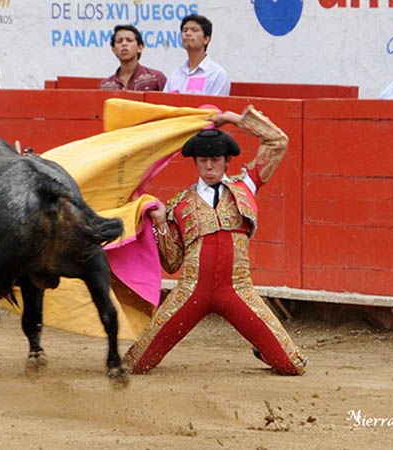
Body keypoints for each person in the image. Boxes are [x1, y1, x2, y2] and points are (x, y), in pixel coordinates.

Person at [123, 105, 308, 376]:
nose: (209, 166)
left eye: (216, 159)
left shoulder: (245, 187)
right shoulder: (180, 205)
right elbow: (172, 263)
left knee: (293, 365)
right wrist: (160, 221)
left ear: (227, 161)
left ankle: (264, 348)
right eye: (202, 160)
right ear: (195, 162)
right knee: (135, 364)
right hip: (190, 292)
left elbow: (278, 141)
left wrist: (233, 119)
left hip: (238, 291)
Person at [163, 14, 230, 96]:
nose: (188, 33)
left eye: (194, 30)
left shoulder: (217, 74)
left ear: (206, 39)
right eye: (185, 30)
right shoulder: (174, 76)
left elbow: (215, 104)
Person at [99, 24, 166, 91]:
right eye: (119, 41)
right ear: (114, 50)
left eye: (129, 40)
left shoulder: (156, 78)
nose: (124, 44)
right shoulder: (105, 86)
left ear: (140, 47)